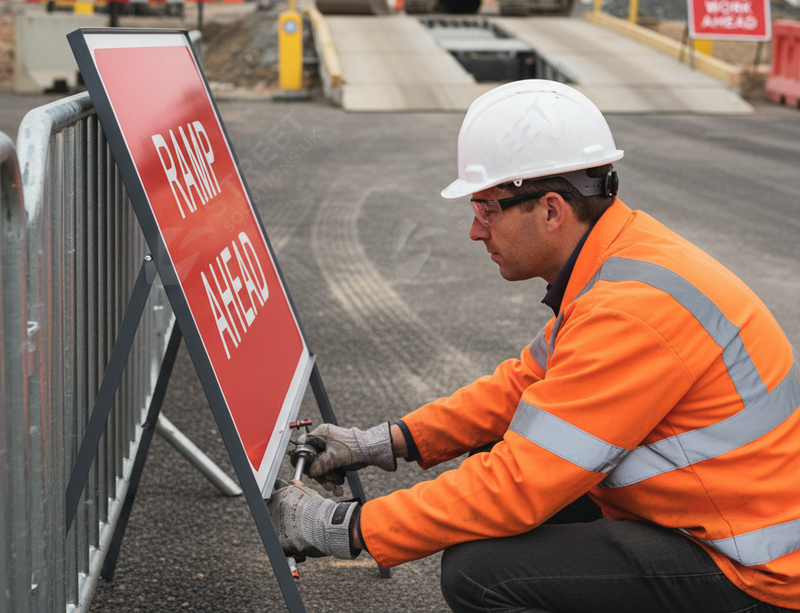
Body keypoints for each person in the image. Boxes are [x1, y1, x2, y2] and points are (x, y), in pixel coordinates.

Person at [267, 80, 800, 612]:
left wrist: (346, 526)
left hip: (753, 571)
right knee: (493, 450)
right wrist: (386, 441)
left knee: (483, 575)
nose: (476, 231)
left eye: (487, 208)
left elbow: (521, 483)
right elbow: (522, 385)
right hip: (715, 517)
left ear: (551, 210)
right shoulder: (624, 258)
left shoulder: (630, 310)